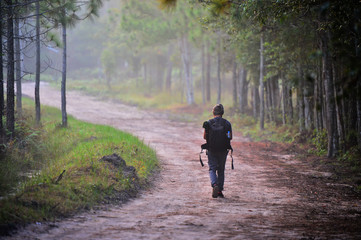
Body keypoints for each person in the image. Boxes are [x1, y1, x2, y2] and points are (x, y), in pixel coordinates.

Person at [203, 104, 232, 198]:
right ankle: (219, 190)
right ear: (222, 113)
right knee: (221, 170)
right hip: (223, 150)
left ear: (213, 112)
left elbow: (204, 137)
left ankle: (214, 184)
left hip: (211, 149)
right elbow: (229, 137)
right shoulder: (227, 123)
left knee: (212, 168)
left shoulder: (208, 123)